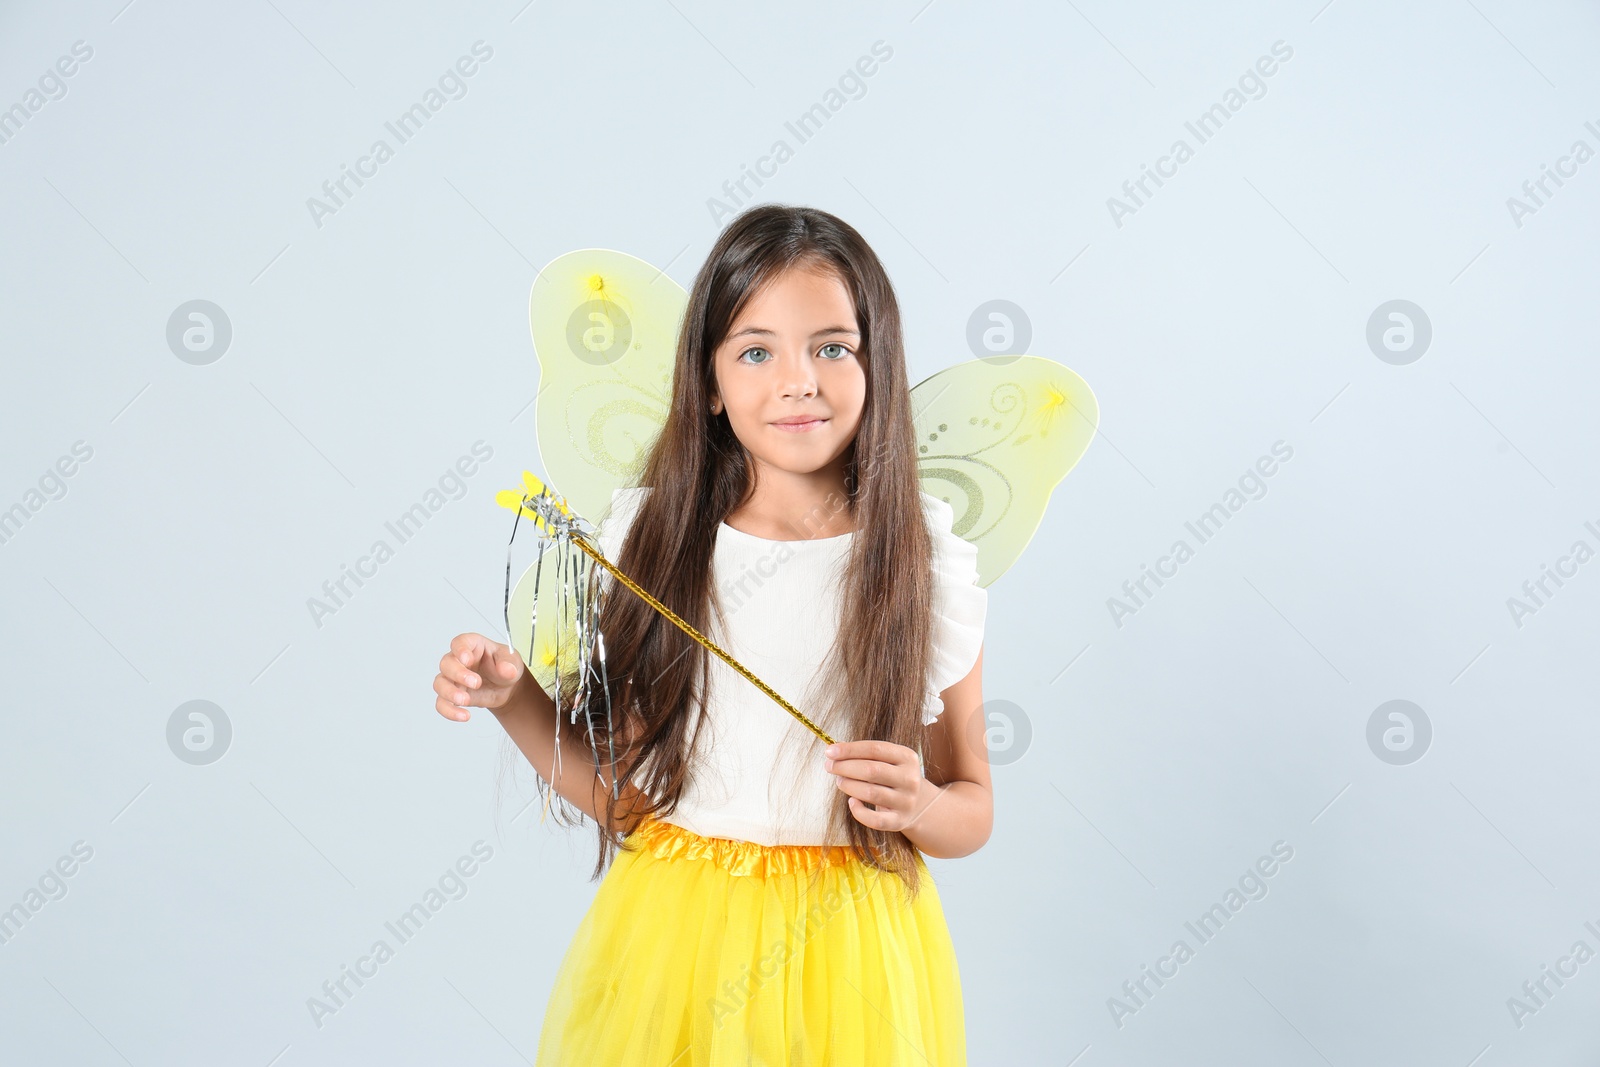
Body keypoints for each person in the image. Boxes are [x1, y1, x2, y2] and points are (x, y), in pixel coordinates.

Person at [432, 204, 990, 1065]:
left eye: (832, 347)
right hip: (679, 941)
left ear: (878, 363)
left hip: (852, 959)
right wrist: (515, 702)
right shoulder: (658, 546)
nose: (798, 381)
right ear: (709, 384)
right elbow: (624, 801)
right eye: (757, 352)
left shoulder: (921, 559)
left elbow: (972, 808)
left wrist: (920, 804)